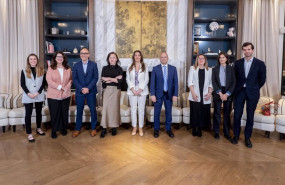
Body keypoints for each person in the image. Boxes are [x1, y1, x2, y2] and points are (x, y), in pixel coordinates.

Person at [232, 42, 266, 148]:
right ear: (243, 51)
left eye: (248, 49)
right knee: (237, 115)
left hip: (253, 93)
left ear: (252, 50)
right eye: (245, 50)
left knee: (250, 117)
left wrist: (254, 87)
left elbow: (262, 80)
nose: (247, 51)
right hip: (239, 92)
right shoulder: (237, 63)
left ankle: (247, 137)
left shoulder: (260, 64)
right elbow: (234, 78)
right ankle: (236, 135)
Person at [150, 52, 178, 138]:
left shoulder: (173, 69)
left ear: (167, 58)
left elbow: (175, 83)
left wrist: (175, 94)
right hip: (158, 95)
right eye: (161, 57)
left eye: (165, 57)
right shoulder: (155, 69)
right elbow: (152, 83)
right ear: (160, 58)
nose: (163, 58)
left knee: (168, 113)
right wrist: (152, 94)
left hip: (169, 95)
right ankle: (156, 129)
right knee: (157, 113)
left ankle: (168, 129)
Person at [72, 48, 99, 138]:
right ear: (80, 55)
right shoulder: (76, 65)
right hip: (80, 92)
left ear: (88, 55)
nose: (83, 55)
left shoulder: (94, 65)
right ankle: (77, 129)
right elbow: (74, 79)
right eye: (81, 53)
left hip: (91, 91)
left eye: (85, 53)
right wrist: (81, 88)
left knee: (93, 110)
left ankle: (93, 128)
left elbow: (95, 78)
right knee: (79, 110)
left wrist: (88, 88)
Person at [20, 53, 46, 142]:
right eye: (31, 59)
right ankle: (29, 133)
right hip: (28, 95)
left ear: (37, 60)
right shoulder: (24, 70)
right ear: (28, 61)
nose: (33, 60)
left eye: (34, 59)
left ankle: (38, 128)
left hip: (39, 94)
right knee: (28, 114)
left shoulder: (42, 70)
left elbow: (44, 83)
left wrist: (38, 92)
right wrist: (28, 93)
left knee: (39, 113)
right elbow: (22, 84)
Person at [46, 51, 72, 139]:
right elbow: (49, 81)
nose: (60, 58)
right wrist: (61, 87)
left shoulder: (68, 68)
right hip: (53, 95)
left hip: (66, 94)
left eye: (61, 56)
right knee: (55, 114)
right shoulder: (50, 68)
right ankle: (54, 130)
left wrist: (66, 89)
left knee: (64, 113)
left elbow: (70, 80)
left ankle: (64, 128)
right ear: (55, 58)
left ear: (64, 58)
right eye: (58, 56)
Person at [212, 52, 236, 141]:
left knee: (226, 114)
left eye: (223, 57)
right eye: (220, 57)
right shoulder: (215, 69)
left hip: (228, 92)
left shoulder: (231, 69)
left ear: (226, 59)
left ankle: (226, 133)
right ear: (218, 59)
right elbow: (213, 82)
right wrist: (220, 93)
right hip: (218, 92)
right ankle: (216, 132)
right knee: (217, 113)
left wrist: (227, 94)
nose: (221, 59)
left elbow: (234, 82)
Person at [188, 54, 213, 137]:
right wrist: (193, 93)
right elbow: (190, 82)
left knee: (202, 112)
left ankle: (200, 129)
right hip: (195, 94)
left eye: (202, 59)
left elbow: (211, 83)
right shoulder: (193, 68)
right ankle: (194, 128)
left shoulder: (209, 70)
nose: (201, 60)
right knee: (195, 112)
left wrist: (210, 93)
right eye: (199, 59)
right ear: (197, 60)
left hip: (205, 94)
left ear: (205, 60)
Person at [100, 52, 123, 138]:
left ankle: (114, 127)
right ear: (108, 59)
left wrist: (108, 79)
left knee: (114, 109)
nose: (112, 59)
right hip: (107, 90)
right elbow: (102, 79)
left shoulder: (119, 68)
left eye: (114, 57)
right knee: (105, 109)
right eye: (110, 58)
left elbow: (120, 81)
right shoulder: (104, 68)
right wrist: (114, 79)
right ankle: (104, 128)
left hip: (116, 91)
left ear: (116, 59)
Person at [126, 50, 149, 136]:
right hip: (132, 92)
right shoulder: (129, 66)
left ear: (141, 57)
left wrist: (140, 89)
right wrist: (132, 89)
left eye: (139, 55)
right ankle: (134, 127)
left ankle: (140, 127)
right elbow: (127, 79)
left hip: (142, 92)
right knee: (133, 110)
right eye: (135, 55)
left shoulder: (145, 66)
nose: (137, 57)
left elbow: (146, 79)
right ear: (133, 57)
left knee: (141, 110)